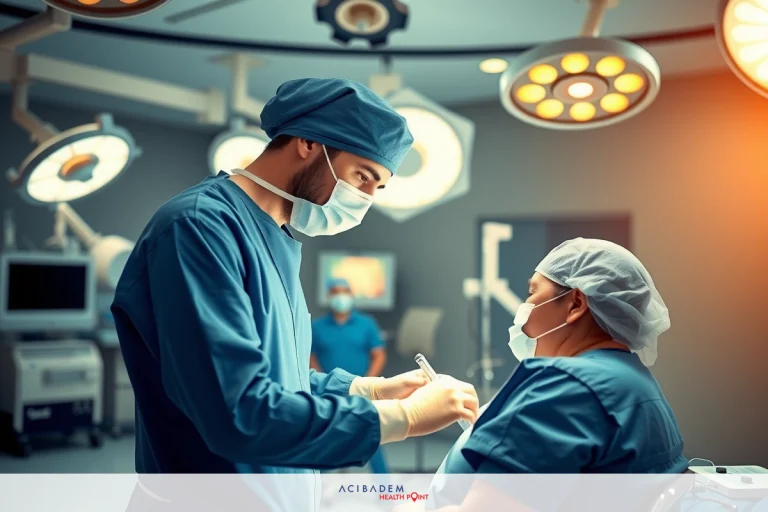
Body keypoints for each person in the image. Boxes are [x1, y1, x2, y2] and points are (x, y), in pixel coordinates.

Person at [110, 78, 479, 506]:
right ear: (307, 142)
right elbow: (238, 413)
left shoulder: (278, 238)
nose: (363, 201)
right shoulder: (199, 228)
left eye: (376, 189)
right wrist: (403, 418)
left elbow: (278, 378)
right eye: (362, 177)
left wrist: (367, 390)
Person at [426, 238, 687, 510]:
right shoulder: (637, 383)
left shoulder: (566, 387)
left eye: (531, 293)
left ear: (575, 303)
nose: (523, 314)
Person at [311, 277, 389, 473]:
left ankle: (385, 488)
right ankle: (319, 490)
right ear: (329, 296)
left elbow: (378, 355)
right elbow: (310, 356)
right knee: (328, 439)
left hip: (361, 391)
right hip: (330, 392)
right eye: (336, 292)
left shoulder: (366, 324)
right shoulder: (318, 326)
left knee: (372, 435)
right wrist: (323, 381)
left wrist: (367, 383)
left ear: (351, 294)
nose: (340, 296)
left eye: (344, 291)